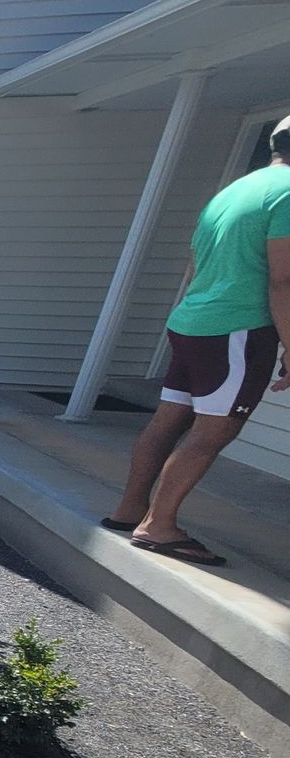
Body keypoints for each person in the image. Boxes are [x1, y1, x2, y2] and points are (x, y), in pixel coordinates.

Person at [104, 114, 290, 566]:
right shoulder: (287, 194)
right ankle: (158, 526)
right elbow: (283, 279)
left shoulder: (233, 192)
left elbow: (194, 265)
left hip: (193, 321)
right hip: (236, 329)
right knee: (213, 432)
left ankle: (129, 510)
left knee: (168, 421)